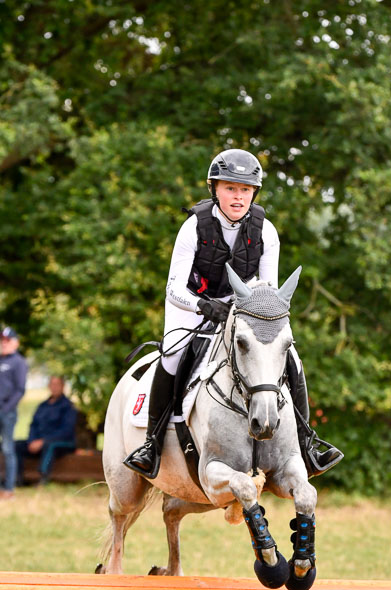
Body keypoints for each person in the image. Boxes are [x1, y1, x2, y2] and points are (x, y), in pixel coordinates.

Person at [124, 148, 342, 479]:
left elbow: (267, 289)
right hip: (191, 306)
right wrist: (204, 305)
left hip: (241, 310)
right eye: (230, 188)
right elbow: (173, 289)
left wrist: (246, 313)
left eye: (244, 190)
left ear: (253, 193)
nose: (237, 197)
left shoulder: (265, 231)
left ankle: (306, 441)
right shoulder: (194, 227)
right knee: (173, 357)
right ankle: (152, 444)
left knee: (292, 358)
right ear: (215, 189)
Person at [15, 375, 77, 485]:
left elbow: (66, 431)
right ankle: (18, 479)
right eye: (52, 384)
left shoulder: (68, 406)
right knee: (16, 444)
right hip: (39, 442)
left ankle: (43, 478)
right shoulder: (42, 406)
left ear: (63, 386)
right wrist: (32, 440)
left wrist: (43, 441)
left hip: (63, 443)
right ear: (48, 386)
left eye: (57, 384)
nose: (54, 387)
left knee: (50, 445)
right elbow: (33, 425)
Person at [0, 327, 28, 499]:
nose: (4, 343)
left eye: (7, 340)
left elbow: (20, 390)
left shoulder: (18, 362)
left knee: (7, 448)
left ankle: (9, 488)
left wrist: (5, 409)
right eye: (2, 340)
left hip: (7, 412)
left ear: (15, 342)